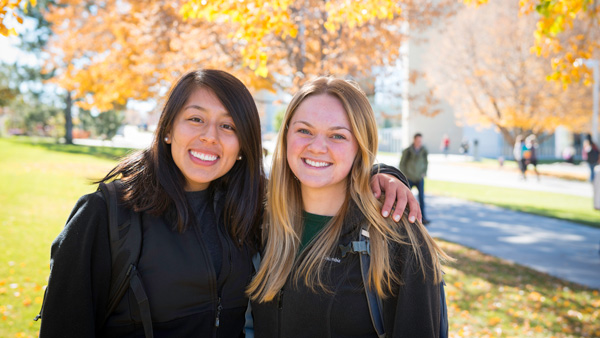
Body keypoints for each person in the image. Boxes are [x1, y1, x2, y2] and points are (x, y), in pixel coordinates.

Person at [37, 70, 420, 337]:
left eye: (228, 126)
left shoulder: (251, 206)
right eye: (195, 119)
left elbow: (324, 168)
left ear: (242, 145)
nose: (210, 137)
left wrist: (383, 175)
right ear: (168, 129)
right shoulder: (107, 215)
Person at [249, 77, 450, 337]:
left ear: (360, 147)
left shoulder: (398, 238)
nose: (317, 147)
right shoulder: (259, 221)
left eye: (337, 135)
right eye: (304, 131)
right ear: (286, 135)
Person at [400, 132, 430, 224]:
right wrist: (406, 175)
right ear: (414, 140)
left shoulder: (424, 151)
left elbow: (426, 163)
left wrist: (424, 173)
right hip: (410, 178)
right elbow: (402, 164)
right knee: (406, 198)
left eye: (420, 141)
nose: (419, 142)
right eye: (418, 140)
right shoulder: (408, 151)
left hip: (419, 178)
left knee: (421, 198)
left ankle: (423, 218)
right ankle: (405, 218)